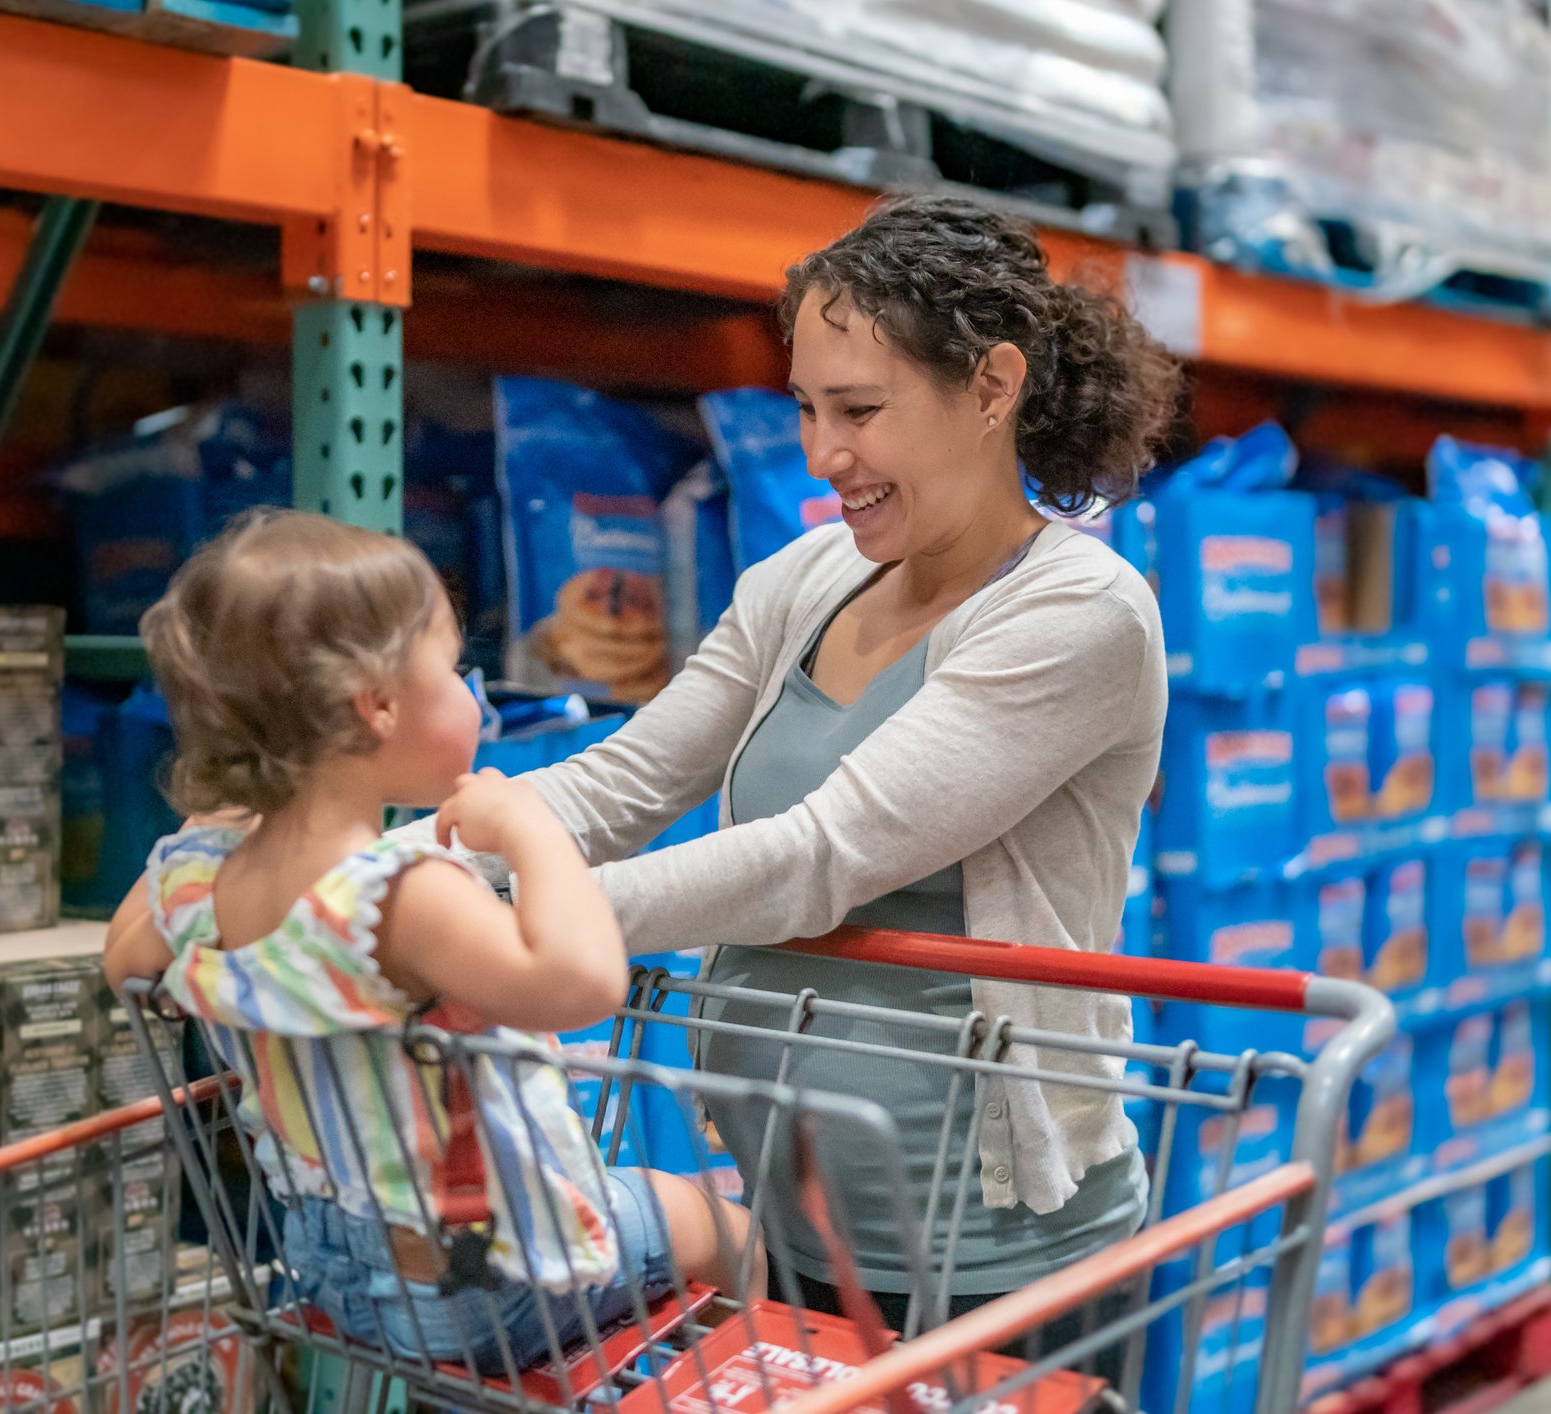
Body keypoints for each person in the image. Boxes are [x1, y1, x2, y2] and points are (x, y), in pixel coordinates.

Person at [415, 194, 1183, 1324]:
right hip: (785, 1216)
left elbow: (819, 856)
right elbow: (620, 785)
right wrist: (379, 878)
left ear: (992, 386)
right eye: (809, 409)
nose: (826, 454)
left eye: (862, 409)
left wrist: (510, 932)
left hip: (988, 1255)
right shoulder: (807, 578)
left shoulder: (1081, 611)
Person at [101, 510, 758, 1373]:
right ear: (376, 707)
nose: (471, 693)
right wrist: (531, 832)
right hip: (492, 1290)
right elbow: (585, 982)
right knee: (702, 1215)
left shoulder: (202, 883)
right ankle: (838, 1369)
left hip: (332, 1270)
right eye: (452, 670)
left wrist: (241, 806)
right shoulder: (399, 898)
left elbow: (123, 961)